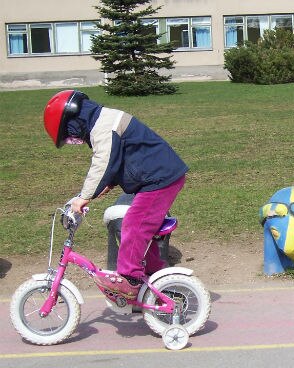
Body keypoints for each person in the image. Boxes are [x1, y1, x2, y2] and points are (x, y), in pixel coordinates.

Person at [43, 90, 188, 300]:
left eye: (69, 134)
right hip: (157, 177)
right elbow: (121, 157)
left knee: (134, 224)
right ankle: (155, 275)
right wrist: (109, 184)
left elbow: (104, 161)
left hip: (159, 180)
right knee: (141, 231)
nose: (74, 140)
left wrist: (84, 196)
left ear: (73, 120)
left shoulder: (104, 125)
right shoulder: (101, 119)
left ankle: (130, 279)